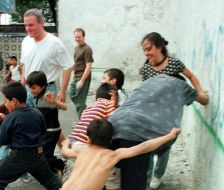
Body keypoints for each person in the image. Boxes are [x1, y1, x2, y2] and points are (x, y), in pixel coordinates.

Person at [109, 74, 209, 190]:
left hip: (113, 124)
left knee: (110, 176)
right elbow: (204, 100)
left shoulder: (150, 81)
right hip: (137, 132)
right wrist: (201, 92)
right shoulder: (181, 85)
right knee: (133, 182)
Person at [139, 32, 208, 189]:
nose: (146, 53)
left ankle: (158, 175)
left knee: (166, 144)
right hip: (151, 112)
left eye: (148, 48)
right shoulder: (146, 70)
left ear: (160, 46)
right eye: (144, 50)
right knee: (148, 143)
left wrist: (200, 92)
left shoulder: (174, 63)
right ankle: (147, 173)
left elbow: (191, 76)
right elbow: (146, 90)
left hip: (172, 112)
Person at [61, 119, 181, 190]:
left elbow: (64, 151)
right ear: (110, 141)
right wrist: (170, 136)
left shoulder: (80, 150)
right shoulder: (113, 155)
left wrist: (66, 143)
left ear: (88, 140)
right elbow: (144, 147)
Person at [0, 82, 62, 190]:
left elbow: (2, 140)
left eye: (5, 101)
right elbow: (43, 131)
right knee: (52, 182)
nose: (5, 104)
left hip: (20, 156)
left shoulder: (10, 118)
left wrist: (3, 123)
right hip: (38, 154)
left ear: (14, 101)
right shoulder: (37, 113)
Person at [20, 8, 73, 107]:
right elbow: (25, 65)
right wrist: (22, 85)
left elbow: (68, 67)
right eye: (25, 25)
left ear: (41, 23)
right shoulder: (25, 41)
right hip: (28, 89)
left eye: (31, 25)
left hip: (47, 91)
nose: (27, 28)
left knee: (46, 121)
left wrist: (63, 91)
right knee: (29, 121)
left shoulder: (55, 43)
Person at [26, 71, 67, 173]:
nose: (31, 90)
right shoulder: (38, 96)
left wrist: (54, 101)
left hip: (51, 131)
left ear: (43, 86)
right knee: (44, 153)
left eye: (34, 88)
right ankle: (53, 168)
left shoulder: (47, 97)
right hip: (47, 131)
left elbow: (64, 107)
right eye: (29, 87)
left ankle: (63, 166)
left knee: (45, 156)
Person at [70, 27, 94, 118]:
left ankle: (82, 121)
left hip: (83, 77)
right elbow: (77, 62)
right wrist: (69, 69)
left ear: (84, 37)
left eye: (79, 37)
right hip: (76, 76)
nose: (77, 39)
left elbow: (88, 66)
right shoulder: (76, 48)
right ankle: (85, 111)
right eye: (76, 37)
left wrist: (82, 81)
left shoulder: (87, 49)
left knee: (80, 102)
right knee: (72, 95)